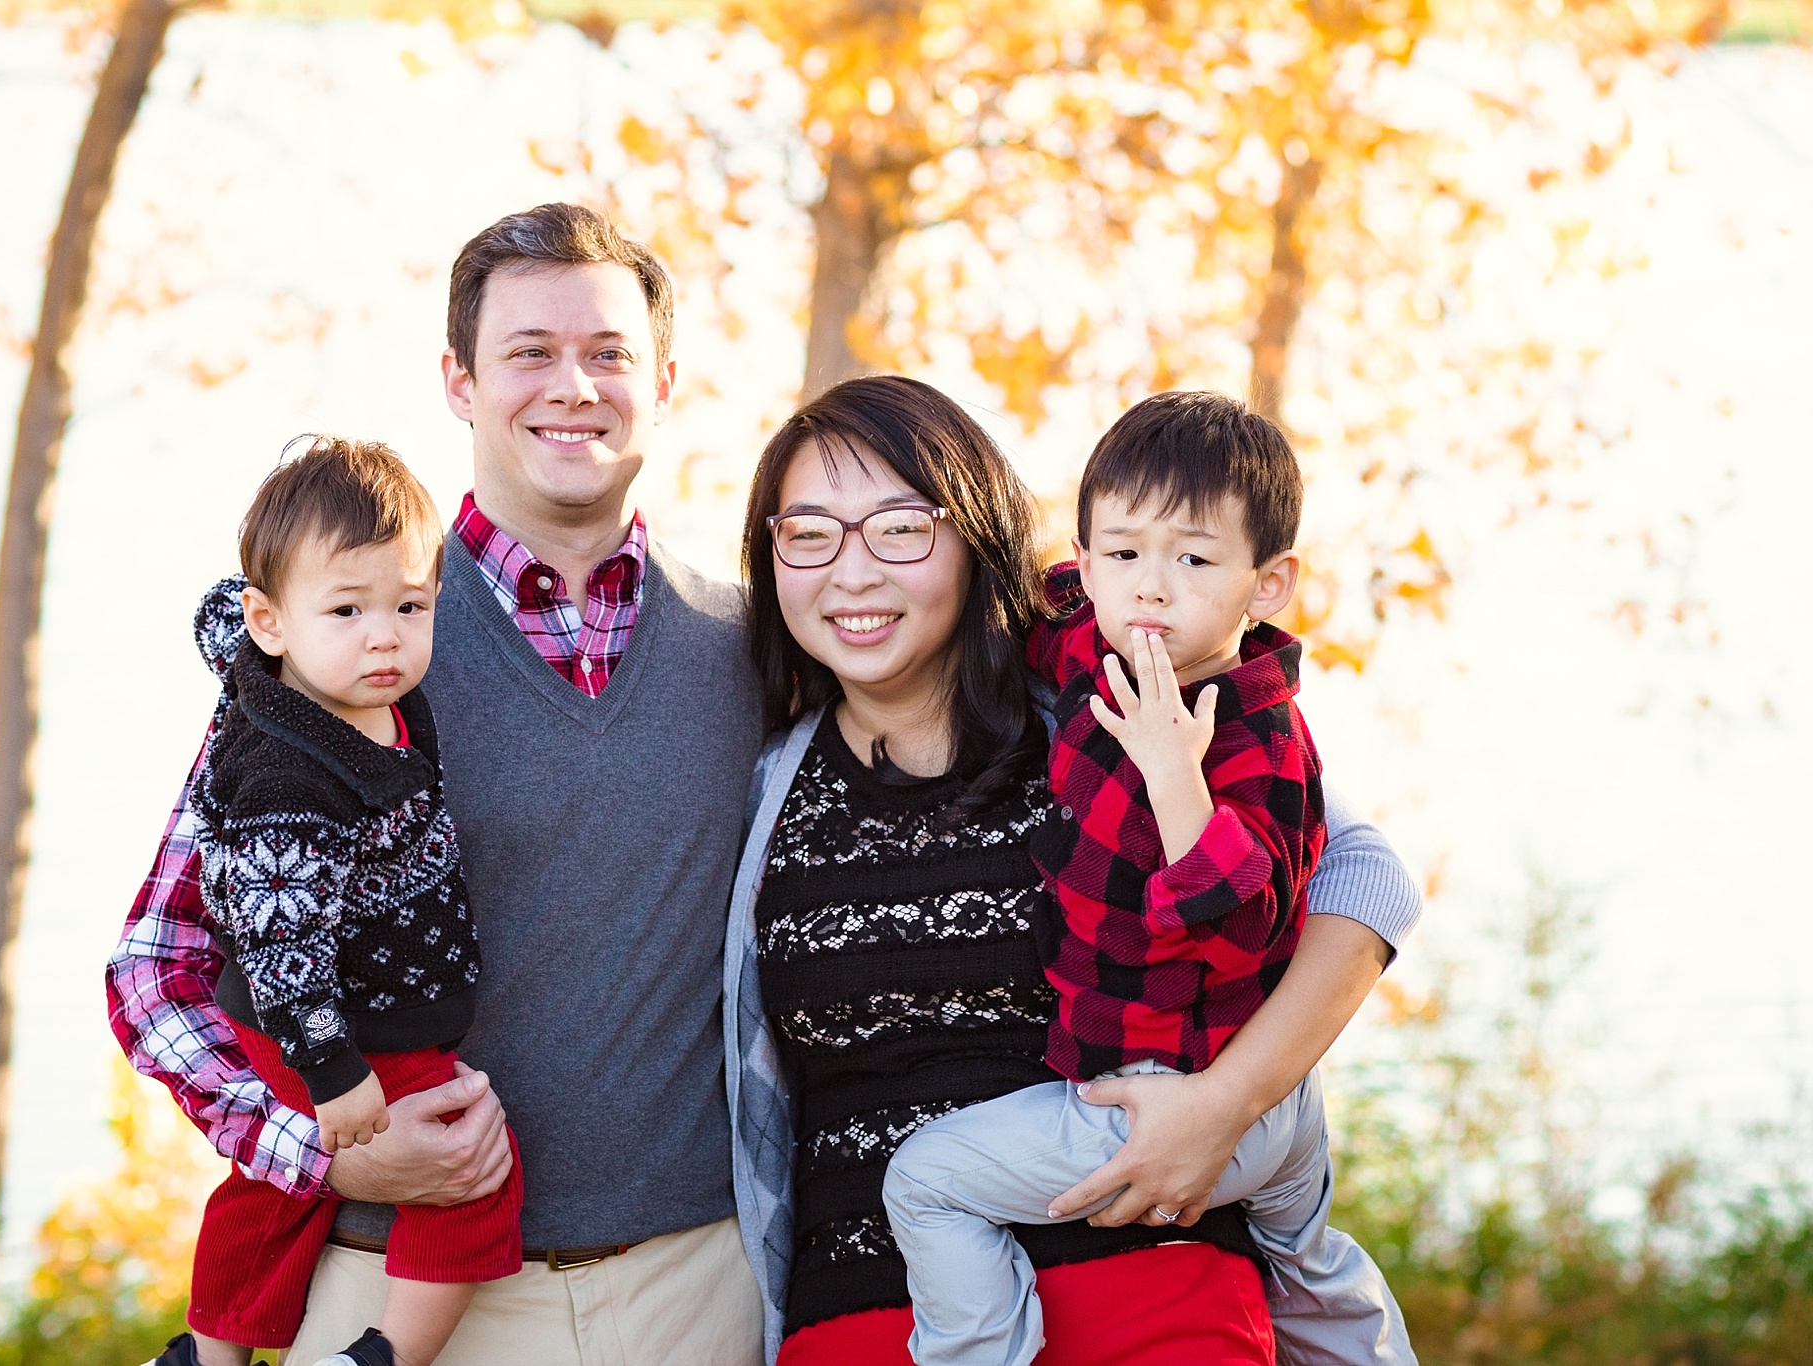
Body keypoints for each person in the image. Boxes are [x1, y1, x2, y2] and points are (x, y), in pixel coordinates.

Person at [107, 204, 768, 1364]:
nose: (572, 384)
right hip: (397, 1295)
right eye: (528, 352)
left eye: (607, 352)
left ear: (661, 382)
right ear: (459, 381)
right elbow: (158, 968)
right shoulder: (341, 645)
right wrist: (324, 1148)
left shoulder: (748, 646)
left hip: (698, 1289)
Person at [723, 375, 1425, 1364]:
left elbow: (1365, 880)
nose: (852, 571)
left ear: (972, 537)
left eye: (898, 528)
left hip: (1152, 1296)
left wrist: (1227, 1102)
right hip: (863, 1321)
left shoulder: (1107, 706)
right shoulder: (755, 782)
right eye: (808, 533)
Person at [141, 439, 523, 1366]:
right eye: (346, 611)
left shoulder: (372, 704)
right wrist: (332, 1068)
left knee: (268, 1194)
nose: (383, 635)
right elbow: (278, 937)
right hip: (336, 1030)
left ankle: (208, 1355)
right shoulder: (289, 777)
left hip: (344, 1017)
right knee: (469, 1173)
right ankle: (387, 1352)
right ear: (269, 623)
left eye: (409, 606)